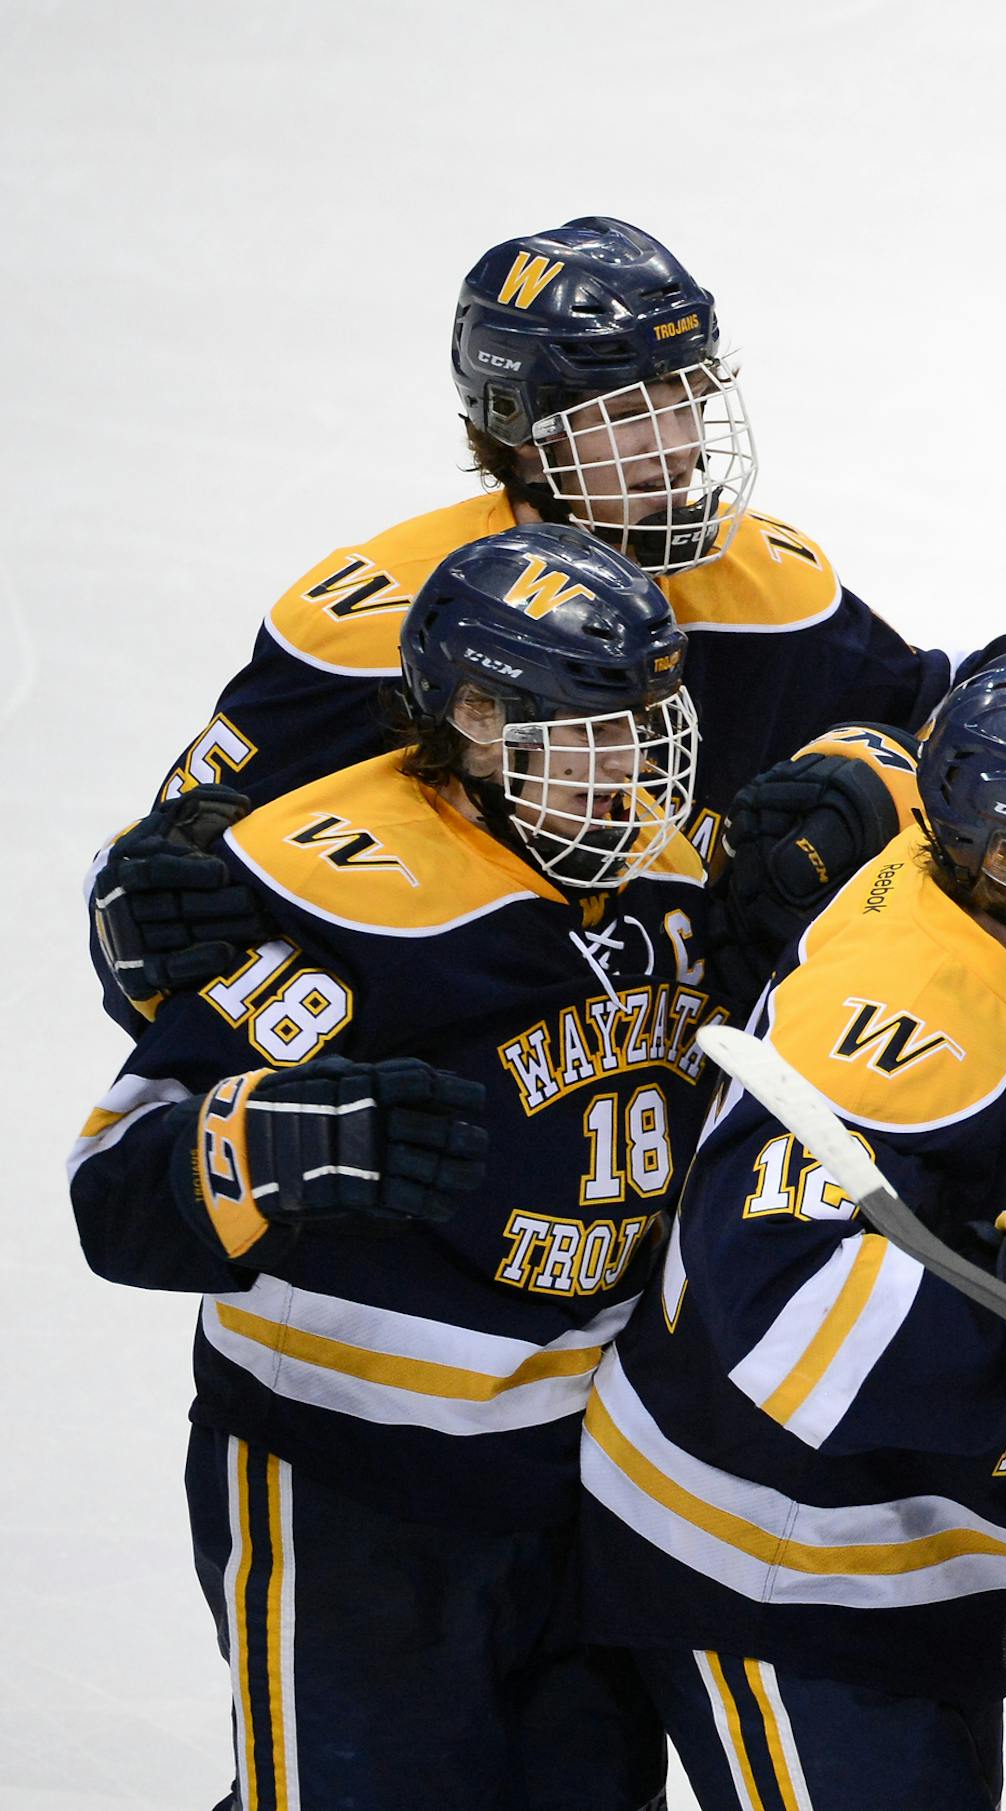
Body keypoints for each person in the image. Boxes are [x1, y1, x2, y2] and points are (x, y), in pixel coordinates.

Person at [89, 211, 1006, 1035]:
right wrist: (151, 912)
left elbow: (941, 716)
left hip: (661, 1090)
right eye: (626, 419)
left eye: (685, 401)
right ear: (519, 429)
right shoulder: (372, 620)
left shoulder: (762, 580)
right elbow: (168, 873)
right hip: (461, 1091)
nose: (677, 450)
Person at [67, 525, 715, 1811]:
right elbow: (115, 1184)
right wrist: (286, 1139)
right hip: (353, 1481)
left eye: (643, 723)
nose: (629, 766)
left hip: (583, 1484)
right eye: (588, 729)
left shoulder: (669, 864)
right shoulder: (328, 883)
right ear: (476, 717)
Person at [577, 648, 1006, 1810]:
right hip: (769, 1555)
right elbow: (785, 1327)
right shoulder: (904, 1027)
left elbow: (956, 727)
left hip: (878, 1541)